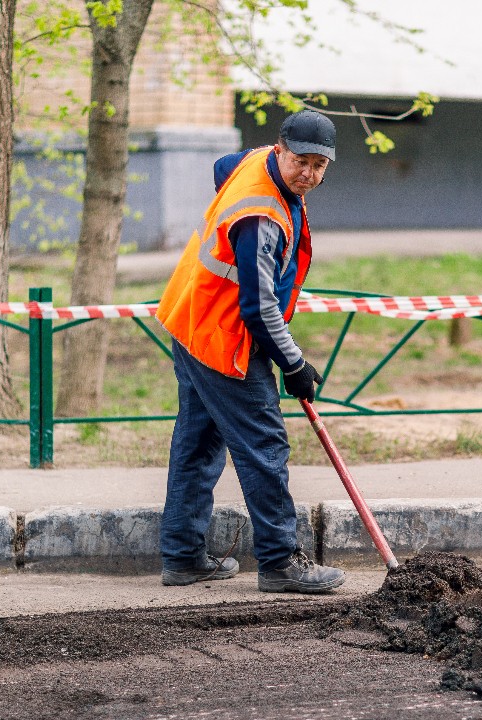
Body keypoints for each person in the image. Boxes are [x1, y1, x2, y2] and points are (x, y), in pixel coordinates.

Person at [155, 110, 345, 593]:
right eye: (300, 161)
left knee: (198, 442)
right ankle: (280, 562)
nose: (308, 174)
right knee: (265, 446)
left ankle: (182, 557)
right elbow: (258, 308)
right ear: (280, 150)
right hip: (222, 337)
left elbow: (222, 165)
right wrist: (294, 364)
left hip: (191, 317)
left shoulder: (254, 161)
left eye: (319, 166)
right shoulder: (261, 216)